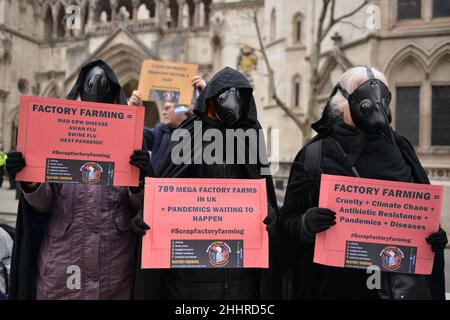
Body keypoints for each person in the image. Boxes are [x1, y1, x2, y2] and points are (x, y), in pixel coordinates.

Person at [280, 66, 447, 300]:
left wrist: (434, 236)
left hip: (398, 287)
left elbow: (422, 210)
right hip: (335, 288)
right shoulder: (315, 154)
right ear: (341, 103)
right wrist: (306, 223)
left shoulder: (401, 148)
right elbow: (287, 221)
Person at [132, 67, 281, 300]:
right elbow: (166, 189)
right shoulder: (190, 132)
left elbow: (263, 188)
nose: (232, 103)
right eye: (224, 95)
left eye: (238, 96)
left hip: (242, 278)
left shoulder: (251, 134)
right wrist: (150, 212)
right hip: (190, 279)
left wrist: (270, 212)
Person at [7, 60, 150, 300]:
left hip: (115, 269)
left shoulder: (130, 140)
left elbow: (139, 207)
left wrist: (141, 178)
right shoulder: (58, 136)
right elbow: (42, 204)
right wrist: (30, 180)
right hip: (62, 266)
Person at [128, 75, 207, 175]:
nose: (163, 112)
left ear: (182, 109)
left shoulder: (199, 132)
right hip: (158, 189)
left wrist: (205, 94)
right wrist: (133, 110)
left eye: (167, 108)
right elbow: (134, 134)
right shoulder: (159, 132)